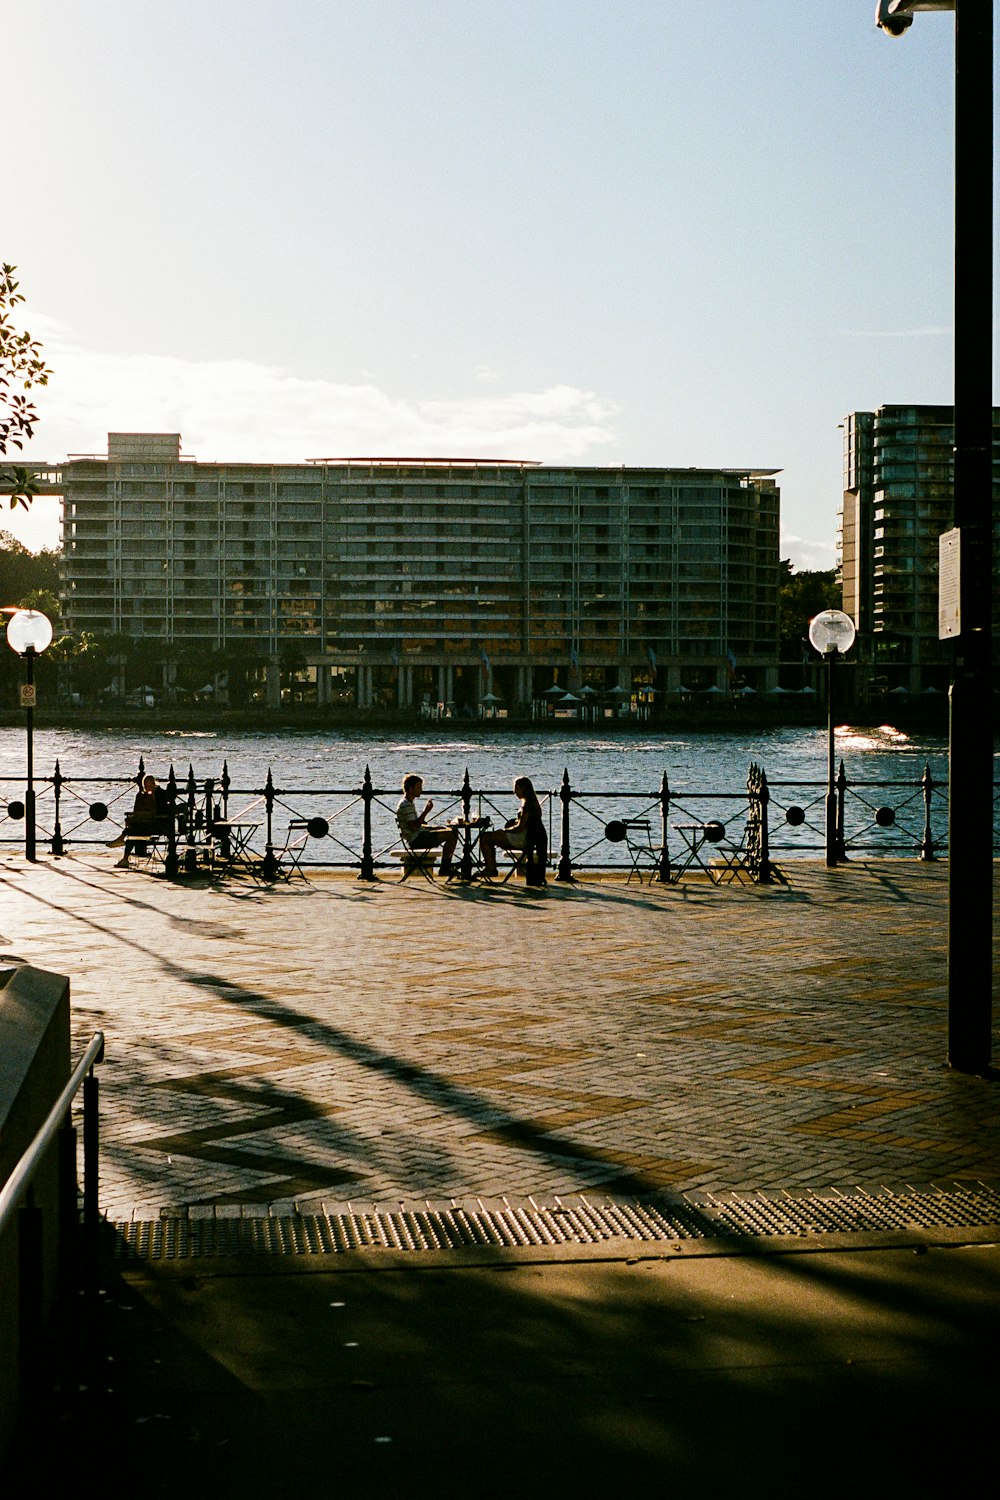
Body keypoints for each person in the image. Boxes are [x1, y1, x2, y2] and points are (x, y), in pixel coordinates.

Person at [480, 776, 546, 881]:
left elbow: (520, 827)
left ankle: (490, 868)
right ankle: (490, 867)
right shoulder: (533, 803)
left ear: (523, 789)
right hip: (530, 838)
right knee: (490, 837)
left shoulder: (527, 805)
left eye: (516, 788)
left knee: (485, 837)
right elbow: (527, 822)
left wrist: (506, 830)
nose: (514, 791)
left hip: (522, 838)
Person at [395, 773, 460, 876]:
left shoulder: (408, 802)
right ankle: (445, 868)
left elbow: (417, 825)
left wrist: (437, 828)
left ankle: (447, 867)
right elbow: (414, 827)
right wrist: (426, 811)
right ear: (411, 789)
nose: (421, 790)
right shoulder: (406, 805)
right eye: (419, 787)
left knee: (451, 831)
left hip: (419, 835)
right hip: (417, 840)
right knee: (451, 835)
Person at [114, 774, 172, 869]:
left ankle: (122, 844)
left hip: (157, 824)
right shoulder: (143, 795)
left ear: (154, 784)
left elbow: (162, 810)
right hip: (146, 823)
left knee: (132, 829)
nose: (147, 788)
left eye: (149, 786)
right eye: (146, 787)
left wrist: (152, 799)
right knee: (132, 831)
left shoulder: (160, 794)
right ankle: (124, 857)